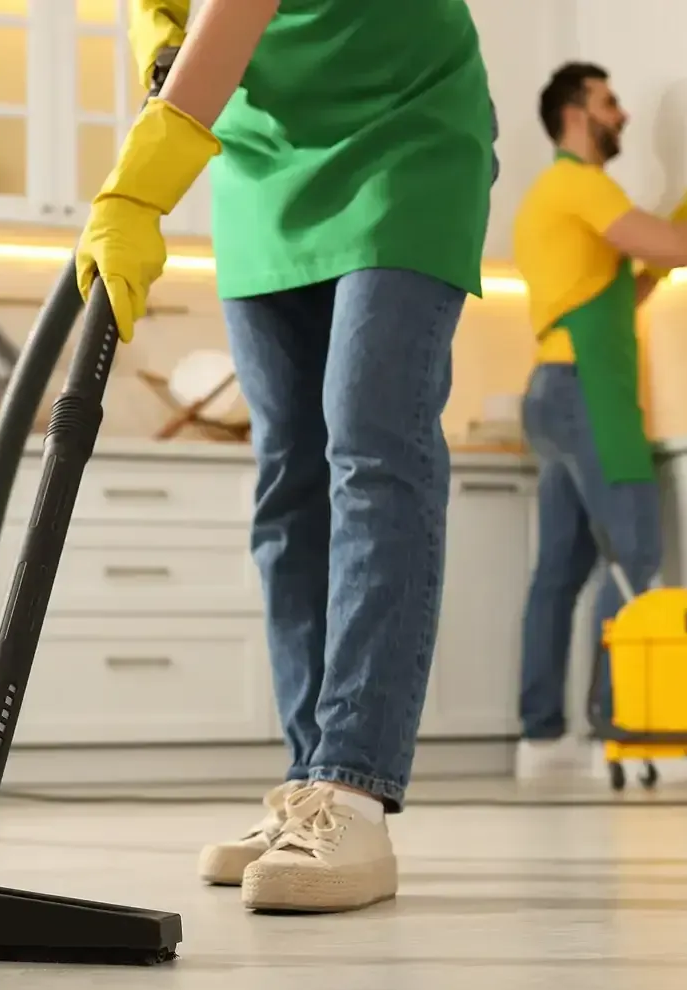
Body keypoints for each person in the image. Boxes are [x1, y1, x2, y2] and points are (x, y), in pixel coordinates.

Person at [79, 0, 496, 913]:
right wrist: (155, 28)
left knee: (373, 450)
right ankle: (310, 784)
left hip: (405, 126)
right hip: (262, 160)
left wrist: (138, 187)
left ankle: (352, 788)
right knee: (289, 483)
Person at [510, 62, 687, 780]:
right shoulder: (581, 184)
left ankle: (542, 743)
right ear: (575, 112)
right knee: (632, 559)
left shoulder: (550, 197)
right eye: (609, 101)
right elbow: (680, 247)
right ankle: (619, 733)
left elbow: (616, 294)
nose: (621, 114)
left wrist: (671, 242)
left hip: (549, 391)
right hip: (588, 392)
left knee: (558, 575)